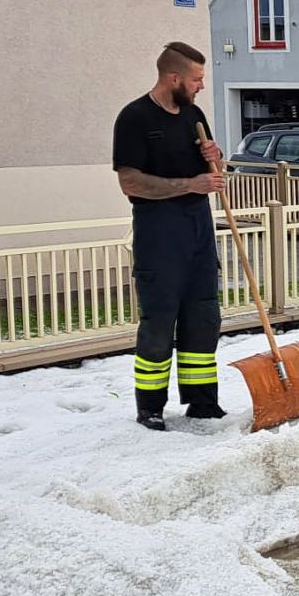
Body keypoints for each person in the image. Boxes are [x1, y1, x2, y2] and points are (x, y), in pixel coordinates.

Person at [112, 41, 227, 431]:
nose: (201, 87)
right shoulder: (135, 118)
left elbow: (212, 173)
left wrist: (216, 157)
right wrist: (191, 184)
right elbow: (131, 183)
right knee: (159, 322)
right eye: (196, 79)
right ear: (173, 77)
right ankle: (151, 406)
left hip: (198, 230)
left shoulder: (193, 115)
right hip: (159, 234)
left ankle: (202, 401)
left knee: (203, 316)